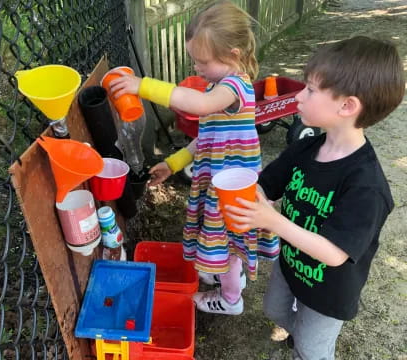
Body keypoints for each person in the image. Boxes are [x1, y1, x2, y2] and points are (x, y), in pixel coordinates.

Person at [224, 36, 405, 358]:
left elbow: (335, 254)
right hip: (291, 264)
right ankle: (299, 336)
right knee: (275, 311)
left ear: (347, 105)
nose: (299, 96)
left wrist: (273, 221)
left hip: (329, 291)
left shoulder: (367, 186)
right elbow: (267, 183)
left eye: (309, 89)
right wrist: (254, 198)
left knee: (311, 348)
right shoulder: (306, 148)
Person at [108, 0, 279, 315]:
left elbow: (198, 104)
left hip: (230, 190)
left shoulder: (234, 88)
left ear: (233, 56)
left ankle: (229, 300)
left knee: (227, 246)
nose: (196, 68)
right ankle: (229, 275)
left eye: (202, 62)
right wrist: (173, 163)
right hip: (221, 181)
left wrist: (142, 86)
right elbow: (206, 138)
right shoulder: (220, 83)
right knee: (228, 241)